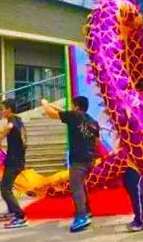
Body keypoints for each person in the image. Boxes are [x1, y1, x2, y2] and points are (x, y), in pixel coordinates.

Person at [41, 96, 99, 232]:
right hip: (90, 158)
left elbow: (50, 113)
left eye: (73, 106)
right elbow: (97, 142)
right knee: (81, 184)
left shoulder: (74, 116)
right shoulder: (92, 121)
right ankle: (87, 210)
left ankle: (81, 216)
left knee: (76, 187)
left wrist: (44, 103)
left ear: (77, 106)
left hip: (79, 159)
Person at [122, 81, 143, 232]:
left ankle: (141, 220)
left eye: (138, 91)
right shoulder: (138, 107)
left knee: (135, 183)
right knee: (129, 182)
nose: (135, 93)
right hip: (133, 154)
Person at [0, 99, 28, 229]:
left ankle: (20, 216)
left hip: (14, 161)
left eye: (2, 108)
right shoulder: (19, 120)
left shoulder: (12, 119)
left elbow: (9, 127)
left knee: (5, 190)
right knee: (6, 187)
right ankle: (12, 212)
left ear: (9, 110)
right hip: (17, 160)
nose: (1, 111)